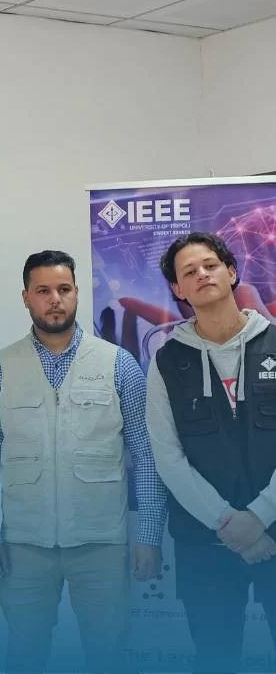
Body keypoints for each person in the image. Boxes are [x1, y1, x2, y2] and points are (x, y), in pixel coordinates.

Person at [0, 249, 166, 673]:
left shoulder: (118, 364)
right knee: (24, 656)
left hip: (101, 545)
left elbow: (147, 456)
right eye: (43, 291)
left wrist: (149, 535)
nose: (54, 299)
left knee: (107, 655)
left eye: (63, 289)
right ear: (26, 297)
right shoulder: (0, 368)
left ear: (77, 293)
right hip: (24, 546)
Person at [148, 232, 276, 673]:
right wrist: (230, 524)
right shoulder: (167, 362)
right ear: (178, 289)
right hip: (205, 544)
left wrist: (259, 515)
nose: (202, 274)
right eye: (189, 271)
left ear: (232, 272)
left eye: (210, 265)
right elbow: (168, 458)